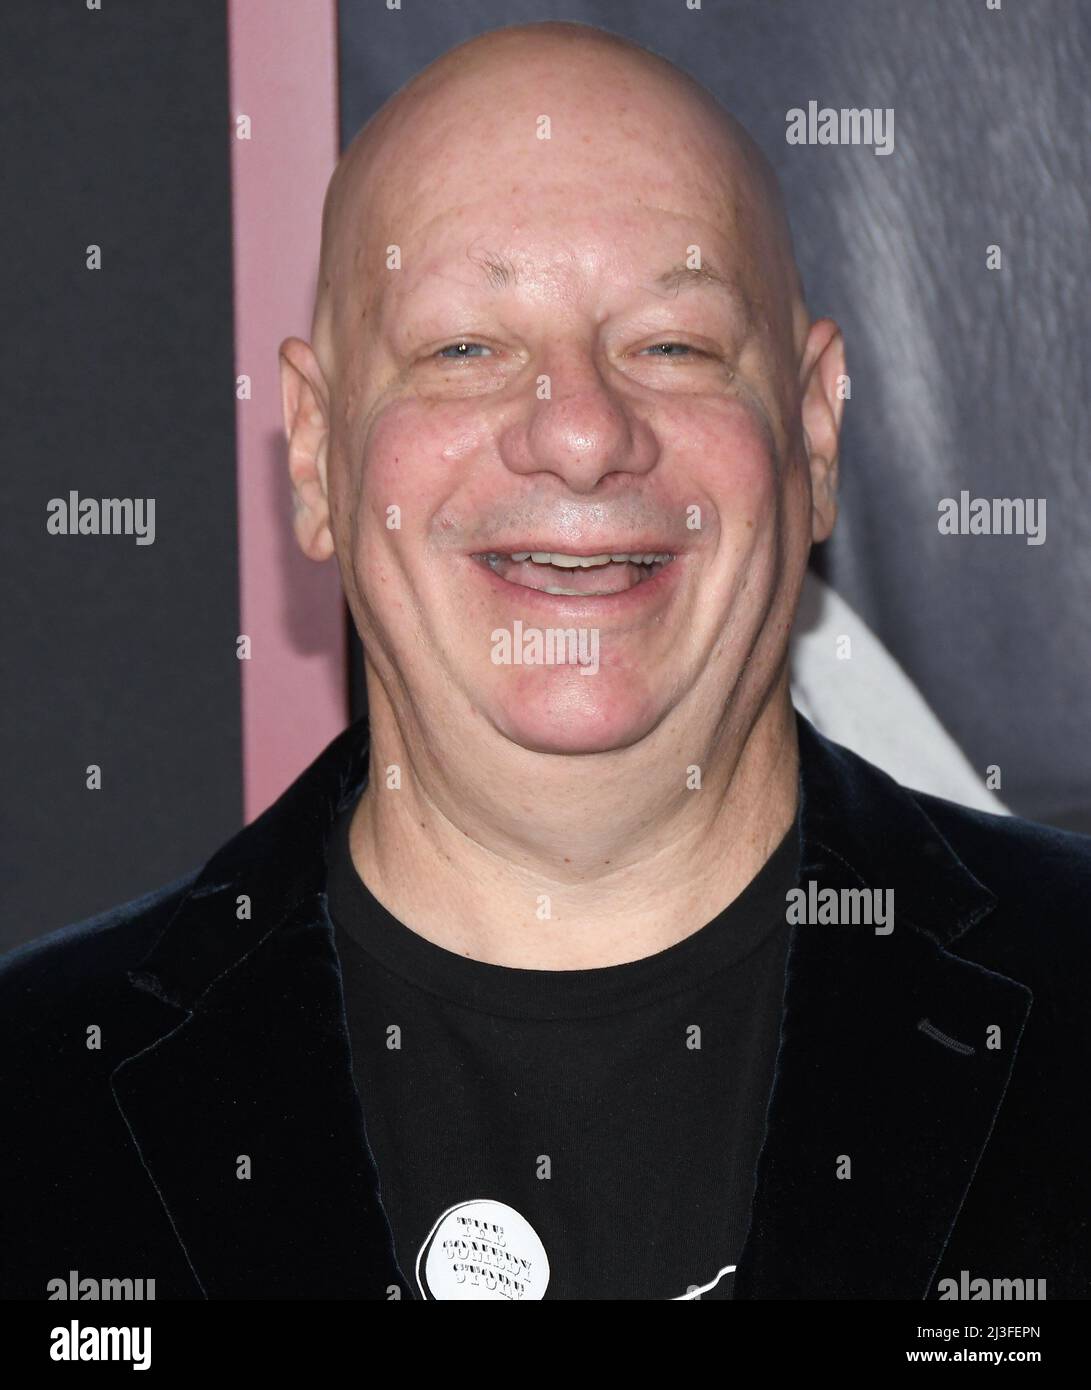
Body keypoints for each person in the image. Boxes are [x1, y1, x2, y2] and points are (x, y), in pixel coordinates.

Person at [3, 20, 1088, 1302]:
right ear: (312, 455)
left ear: (810, 432)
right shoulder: (34, 1100)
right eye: (465, 347)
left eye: (672, 345)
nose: (579, 432)